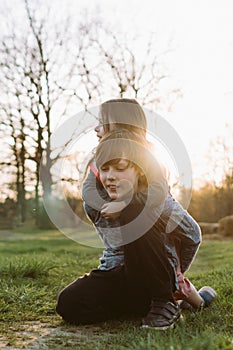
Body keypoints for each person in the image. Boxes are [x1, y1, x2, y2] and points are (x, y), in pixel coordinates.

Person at [82, 98, 216, 311]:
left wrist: (125, 203)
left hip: (157, 242)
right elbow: (88, 188)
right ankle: (176, 295)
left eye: (103, 122)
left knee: (177, 273)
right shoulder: (99, 159)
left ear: (125, 125)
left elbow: (159, 191)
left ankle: (189, 299)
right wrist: (102, 204)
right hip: (122, 258)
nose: (96, 129)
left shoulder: (149, 157)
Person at [57, 129, 182, 329]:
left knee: (134, 211)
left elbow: (191, 236)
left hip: (153, 276)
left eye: (120, 168)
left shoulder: (156, 200)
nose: (111, 177)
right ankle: (131, 307)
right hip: (118, 274)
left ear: (139, 170)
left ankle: (164, 302)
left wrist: (179, 276)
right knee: (68, 303)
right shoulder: (96, 204)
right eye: (105, 169)